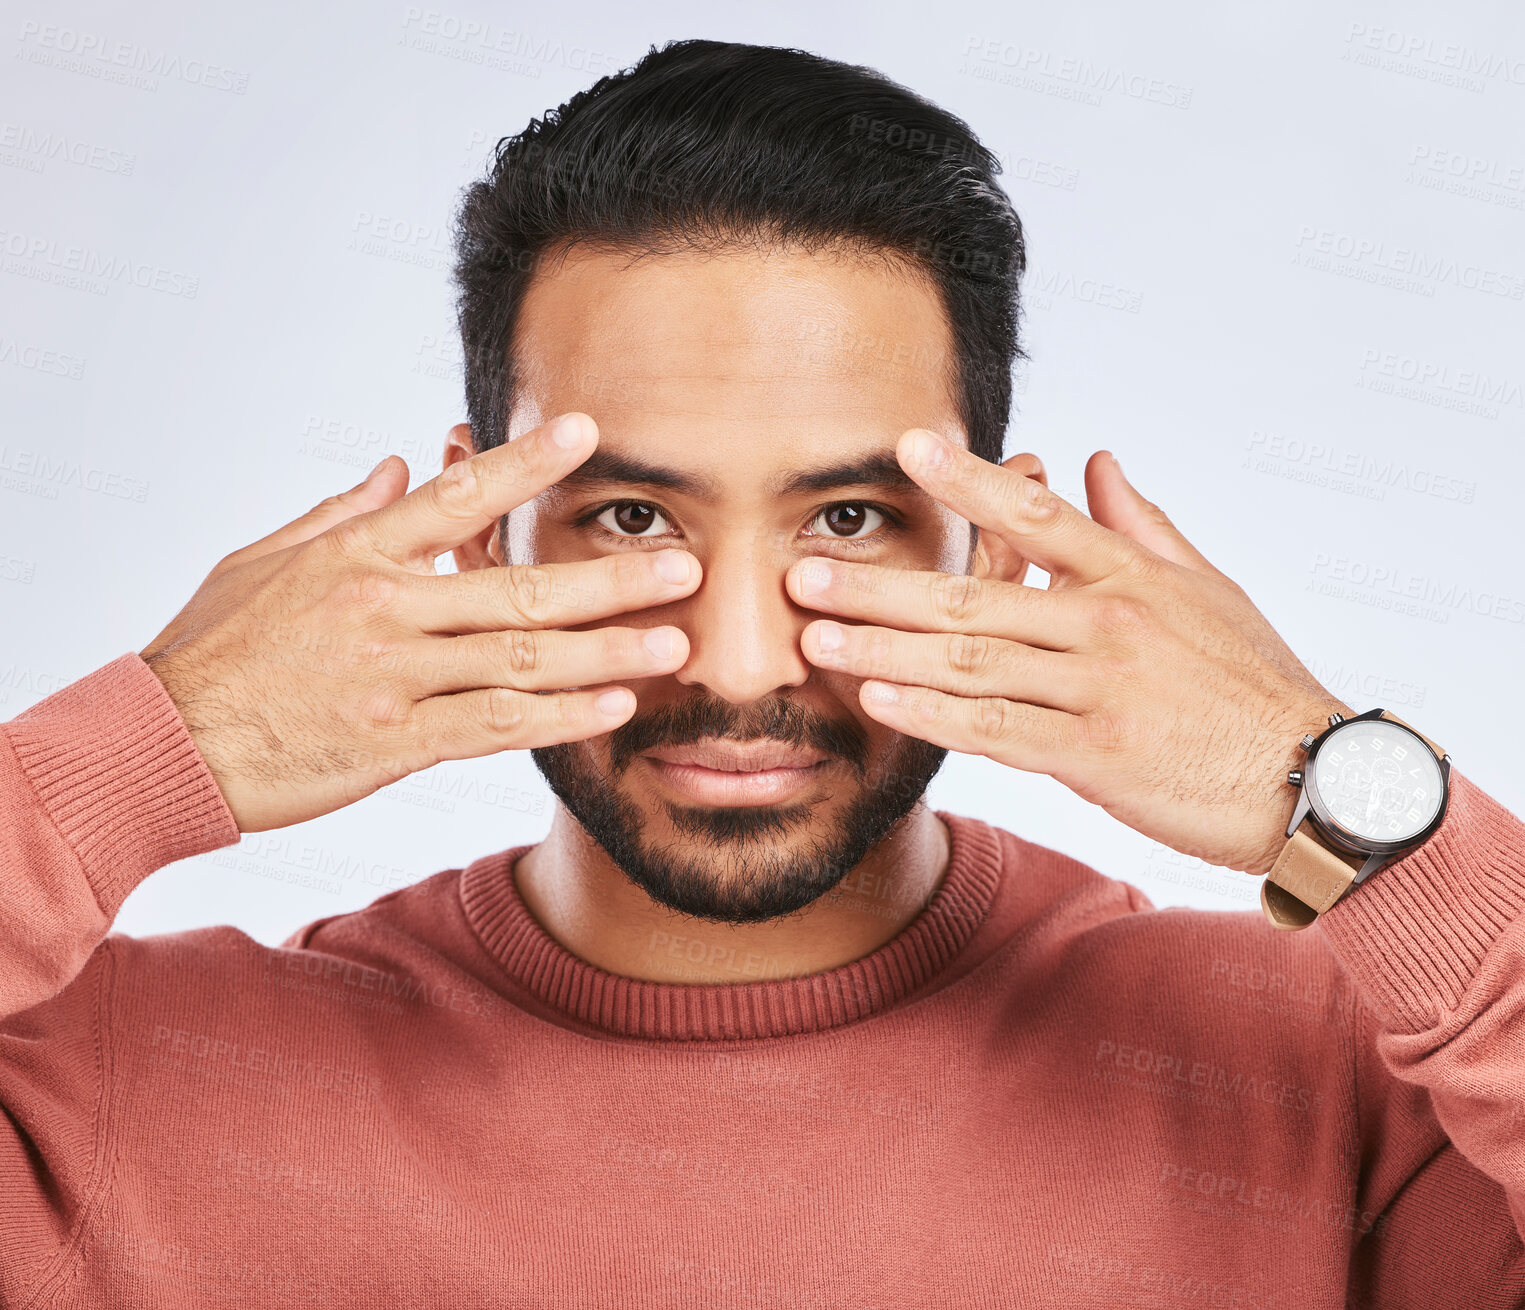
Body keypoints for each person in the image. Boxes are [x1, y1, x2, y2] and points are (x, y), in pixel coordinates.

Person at [2, 37, 1522, 1308]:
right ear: (473, 536)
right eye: (633, 517)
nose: (738, 664)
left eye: (849, 518)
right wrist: (146, 750)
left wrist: (1345, 806)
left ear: (993, 548)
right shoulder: (126, 1096)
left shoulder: (1331, 1089)